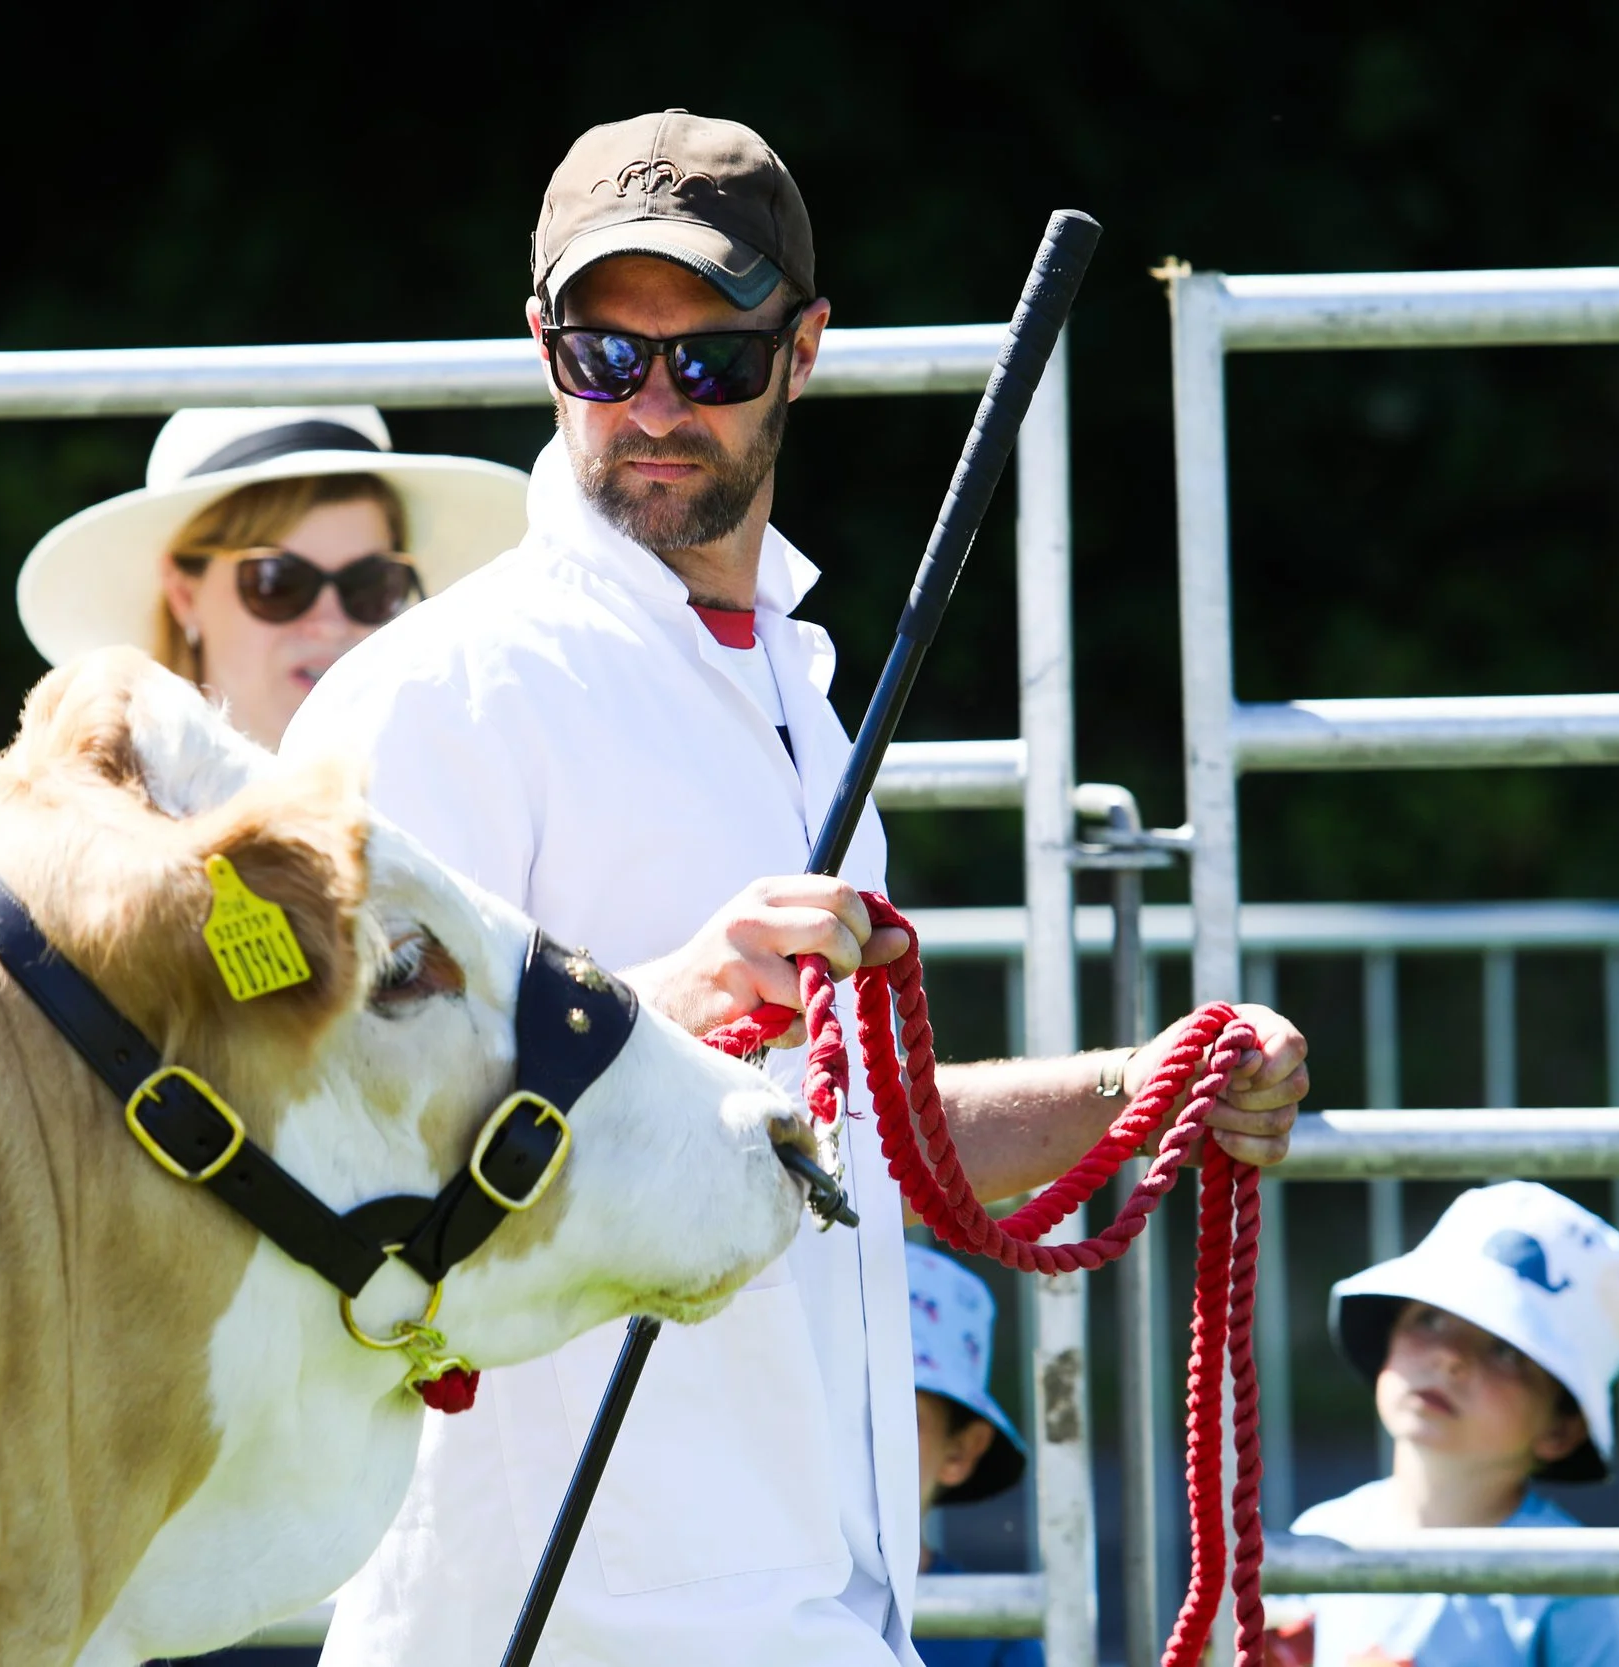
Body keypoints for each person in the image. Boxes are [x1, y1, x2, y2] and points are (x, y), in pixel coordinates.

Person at [283, 109, 1309, 1667]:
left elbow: (839, 1144)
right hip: (547, 1614)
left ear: (805, 349)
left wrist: (1138, 1086)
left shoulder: (799, 689)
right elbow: (327, 1154)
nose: (651, 404)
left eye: (712, 360)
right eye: (601, 353)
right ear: (539, 344)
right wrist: (663, 1006)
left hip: (809, 1587)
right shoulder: (441, 688)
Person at [1273, 1181, 1619, 1666]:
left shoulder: (1576, 1581)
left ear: (1561, 1429)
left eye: (1506, 1351)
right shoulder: (1323, 1535)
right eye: (1429, 1319)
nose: (1449, 1358)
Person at [16, 405, 527, 747]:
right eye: (279, 583)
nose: (329, 625)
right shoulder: (106, 828)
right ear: (183, 594)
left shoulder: (466, 799)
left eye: (369, 586)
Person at [905, 1244, 1040, 1667]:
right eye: (829, 1402)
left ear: (960, 1450)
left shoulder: (991, 1644)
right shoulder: (736, 1612)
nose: (854, 1437)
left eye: (896, 1415)